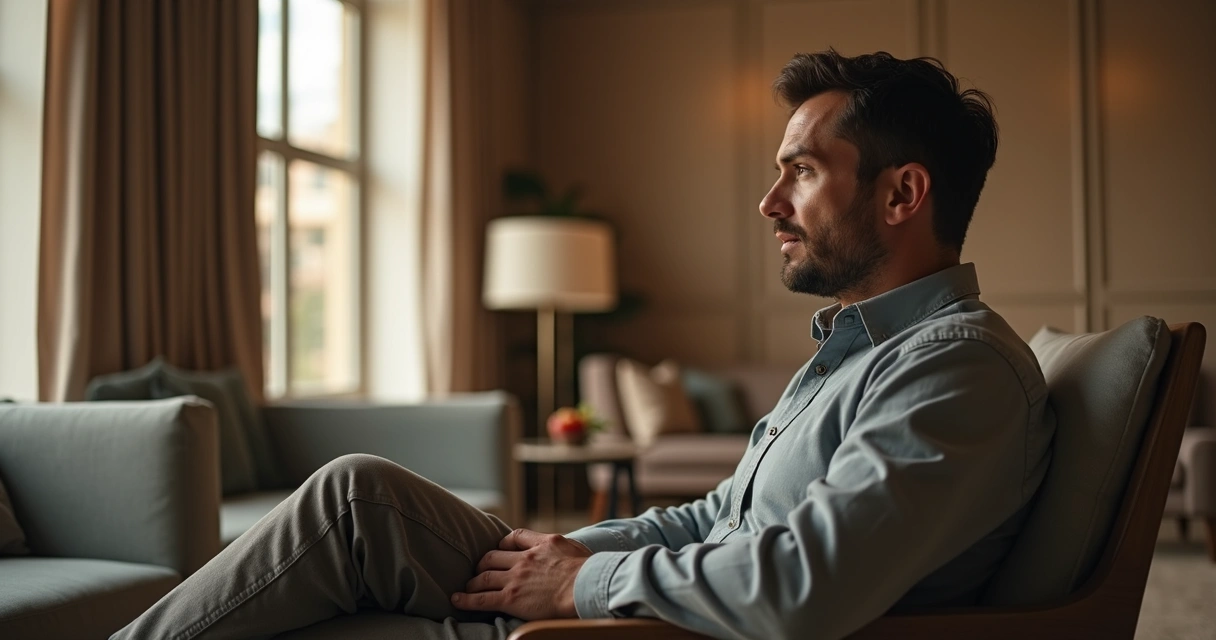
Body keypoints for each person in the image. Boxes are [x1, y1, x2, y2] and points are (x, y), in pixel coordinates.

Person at [113, 49, 1054, 640]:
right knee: (356, 512)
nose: (770, 205)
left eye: (801, 172)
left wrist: (582, 585)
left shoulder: (955, 369)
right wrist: (559, 547)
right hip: (657, 598)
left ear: (901, 195)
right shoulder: (858, 353)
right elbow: (716, 514)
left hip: (661, 631)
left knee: (350, 533)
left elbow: (803, 586)